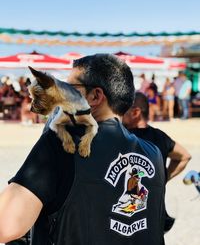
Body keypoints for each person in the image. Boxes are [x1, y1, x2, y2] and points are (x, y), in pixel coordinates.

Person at [0, 54, 165, 245]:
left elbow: (6, 226)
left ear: (95, 96)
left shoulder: (63, 144)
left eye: (70, 88)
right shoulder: (154, 153)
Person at [122, 92, 191, 235]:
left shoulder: (122, 136)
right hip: (154, 219)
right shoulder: (159, 136)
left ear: (136, 112)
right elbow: (184, 156)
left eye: (123, 109)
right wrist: (163, 177)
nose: (119, 113)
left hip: (126, 220)